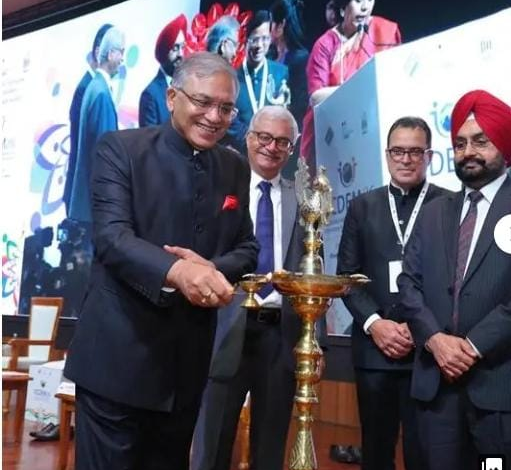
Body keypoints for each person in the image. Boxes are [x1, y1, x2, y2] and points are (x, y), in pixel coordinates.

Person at [64, 52, 259, 470]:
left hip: (187, 369)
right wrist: (177, 271)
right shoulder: (121, 149)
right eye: (203, 102)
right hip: (117, 364)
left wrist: (208, 270)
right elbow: (112, 238)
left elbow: (247, 248)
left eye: (226, 108)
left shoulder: (234, 166)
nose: (214, 117)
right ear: (172, 98)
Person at [398, 90, 511, 470]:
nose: (468, 152)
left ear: (504, 144)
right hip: (438, 389)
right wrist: (434, 339)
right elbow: (408, 284)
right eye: (460, 144)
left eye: (480, 141)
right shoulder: (434, 213)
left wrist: (472, 347)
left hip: (499, 392)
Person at [191, 105, 304, 470]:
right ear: (248, 138)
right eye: (265, 137)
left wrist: (312, 338)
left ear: (292, 148)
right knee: (212, 443)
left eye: (282, 141)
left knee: (270, 448)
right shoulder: (219, 190)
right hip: (225, 325)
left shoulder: (303, 200)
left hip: (281, 334)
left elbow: (311, 268)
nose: (272, 147)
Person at [337, 116, 452, 470]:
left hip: (429, 354)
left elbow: (455, 280)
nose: (406, 159)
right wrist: (375, 324)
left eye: (415, 151)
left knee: (426, 454)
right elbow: (347, 277)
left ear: (429, 156)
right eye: (398, 151)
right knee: (375, 452)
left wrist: (422, 329)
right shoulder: (362, 206)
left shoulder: (449, 205)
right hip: (375, 352)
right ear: (387, 155)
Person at [301, 0, 400, 168]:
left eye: (369, 0)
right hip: (334, 138)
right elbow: (316, 97)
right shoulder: (325, 45)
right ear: (343, 7)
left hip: (377, 130)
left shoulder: (385, 32)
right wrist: (359, 88)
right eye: (358, 1)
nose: (365, 7)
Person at [68, 26, 125, 224]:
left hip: (88, 206)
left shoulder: (94, 86)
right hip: (96, 209)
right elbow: (104, 156)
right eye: (121, 52)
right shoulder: (100, 92)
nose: (123, 59)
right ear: (110, 54)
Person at [64, 23, 112, 216]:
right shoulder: (88, 88)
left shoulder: (94, 87)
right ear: (99, 51)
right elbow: (85, 146)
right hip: (83, 196)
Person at [226, 10, 289, 152]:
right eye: (254, 39)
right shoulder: (232, 78)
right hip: (240, 156)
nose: (259, 45)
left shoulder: (281, 73)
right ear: (245, 40)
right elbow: (230, 123)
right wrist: (256, 144)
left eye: (265, 38)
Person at [269, 0, 309, 178]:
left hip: (290, 142)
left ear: (280, 25)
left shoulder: (300, 59)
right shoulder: (269, 58)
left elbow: (301, 104)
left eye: (271, 22)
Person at [139, 14, 187, 127]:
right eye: (175, 48)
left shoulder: (187, 86)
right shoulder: (150, 95)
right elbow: (149, 137)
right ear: (164, 52)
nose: (181, 54)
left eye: (182, 47)